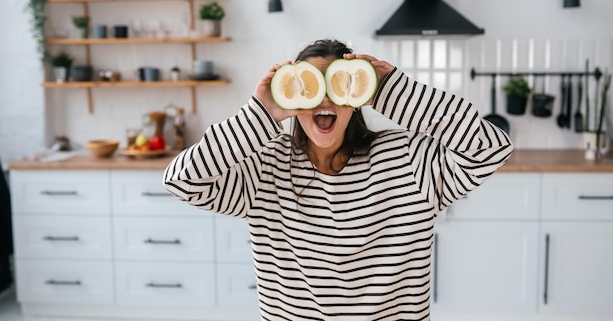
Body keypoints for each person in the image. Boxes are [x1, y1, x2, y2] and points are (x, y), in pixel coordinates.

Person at [163, 39, 514, 321]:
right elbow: (181, 181)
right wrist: (262, 113)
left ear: (358, 98)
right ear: (293, 98)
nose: (324, 100)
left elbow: (491, 147)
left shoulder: (409, 160)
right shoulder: (264, 166)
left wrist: (393, 91)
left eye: (336, 87)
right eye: (310, 89)